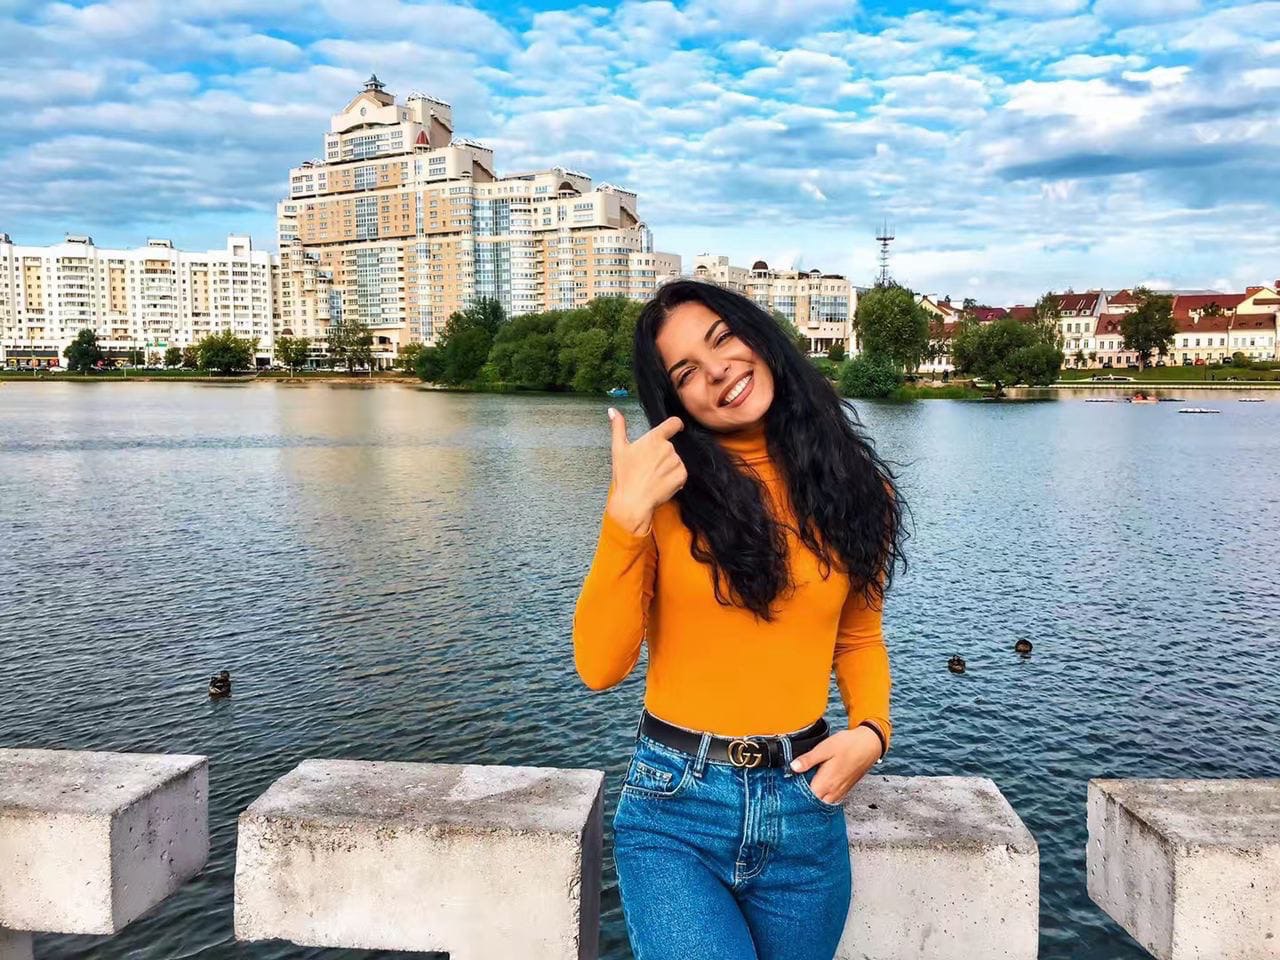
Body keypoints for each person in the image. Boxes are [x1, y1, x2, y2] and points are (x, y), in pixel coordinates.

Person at [572, 279, 907, 960]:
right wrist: (624, 518)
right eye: (686, 372)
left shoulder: (857, 488)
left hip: (805, 804)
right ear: (676, 402)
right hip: (676, 809)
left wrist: (872, 731)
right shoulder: (664, 496)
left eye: (722, 339)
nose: (717, 371)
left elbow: (858, 637)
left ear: (759, 336)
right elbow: (599, 667)